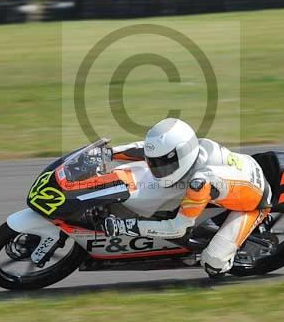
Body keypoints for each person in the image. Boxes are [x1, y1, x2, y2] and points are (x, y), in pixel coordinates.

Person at [102, 118, 271, 277]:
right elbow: (144, 149)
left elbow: (177, 228)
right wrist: (110, 153)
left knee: (213, 263)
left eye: (162, 164)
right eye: (155, 163)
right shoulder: (192, 148)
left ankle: (227, 259)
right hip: (236, 177)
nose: (156, 169)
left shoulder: (201, 182)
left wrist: (125, 226)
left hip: (254, 204)